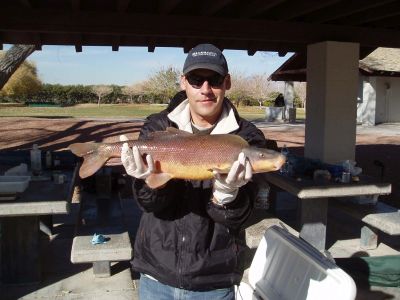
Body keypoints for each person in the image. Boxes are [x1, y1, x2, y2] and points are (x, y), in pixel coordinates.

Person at [120, 43, 268, 300]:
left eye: (215, 80)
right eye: (197, 80)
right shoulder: (158, 126)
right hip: (157, 275)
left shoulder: (247, 138)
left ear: (228, 83)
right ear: (183, 82)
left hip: (214, 282)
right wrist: (148, 181)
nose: (206, 89)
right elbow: (147, 204)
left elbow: (241, 217)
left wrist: (226, 195)